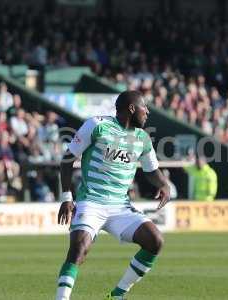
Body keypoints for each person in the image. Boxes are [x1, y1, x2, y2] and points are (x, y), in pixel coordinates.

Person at [55, 91, 170, 300]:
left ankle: (116, 295)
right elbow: (67, 160)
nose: (148, 112)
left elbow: (151, 171)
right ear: (132, 108)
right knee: (79, 249)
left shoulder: (143, 139)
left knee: (155, 240)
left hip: (120, 207)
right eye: (145, 107)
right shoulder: (96, 125)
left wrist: (164, 184)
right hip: (91, 202)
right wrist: (67, 198)